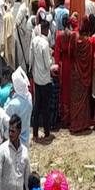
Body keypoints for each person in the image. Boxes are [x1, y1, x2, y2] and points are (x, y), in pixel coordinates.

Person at [0, 114, 31, 190]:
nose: (10, 134)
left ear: (19, 131)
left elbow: (27, 179)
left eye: (13, 131)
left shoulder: (25, 152)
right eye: (9, 131)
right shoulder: (2, 150)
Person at [29, 9, 53, 141]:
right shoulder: (44, 44)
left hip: (37, 78)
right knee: (45, 106)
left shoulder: (34, 41)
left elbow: (31, 58)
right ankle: (47, 132)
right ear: (46, 30)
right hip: (45, 79)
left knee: (37, 105)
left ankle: (36, 132)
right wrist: (51, 59)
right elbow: (47, 65)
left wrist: (31, 69)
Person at [4, 67, 33, 147]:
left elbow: (5, 114)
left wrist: (9, 98)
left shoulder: (13, 104)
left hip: (15, 141)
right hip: (26, 139)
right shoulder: (29, 97)